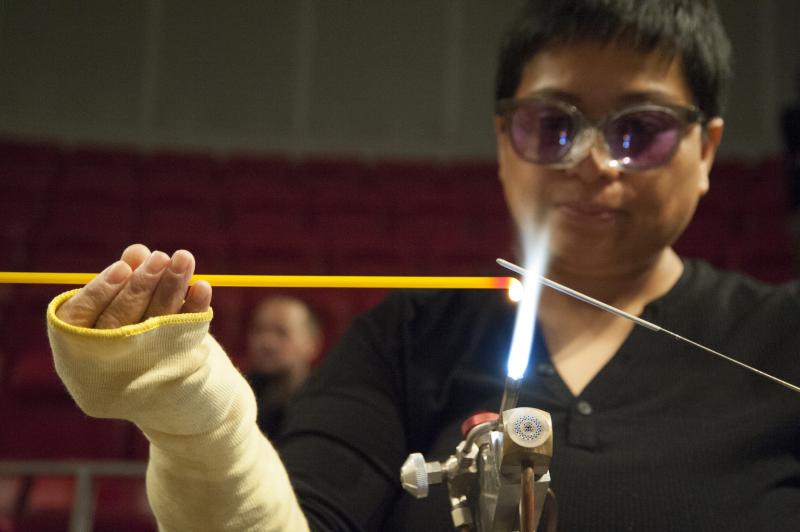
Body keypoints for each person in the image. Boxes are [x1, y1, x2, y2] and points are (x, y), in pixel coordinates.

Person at [45, 1, 800, 530]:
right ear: (505, 139)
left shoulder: (783, 335)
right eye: (552, 125)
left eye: (642, 130)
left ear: (706, 150)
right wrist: (186, 405)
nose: (593, 161)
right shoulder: (405, 338)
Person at [244, 295, 322, 437]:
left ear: (312, 343)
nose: (267, 342)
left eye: (281, 333)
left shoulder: (324, 405)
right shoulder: (237, 395)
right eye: (259, 330)